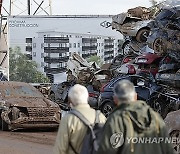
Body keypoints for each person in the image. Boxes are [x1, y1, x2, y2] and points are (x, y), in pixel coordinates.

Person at [97, 80, 174, 154]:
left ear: (115, 99)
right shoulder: (155, 117)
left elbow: (107, 149)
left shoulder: (116, 119)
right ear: (135, 96)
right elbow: (168, 148)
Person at [54, 84, 106, 154]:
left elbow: (60, 149)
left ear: (69, 101)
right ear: (87, 98)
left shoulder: (69, 119)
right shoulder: (100, 116)